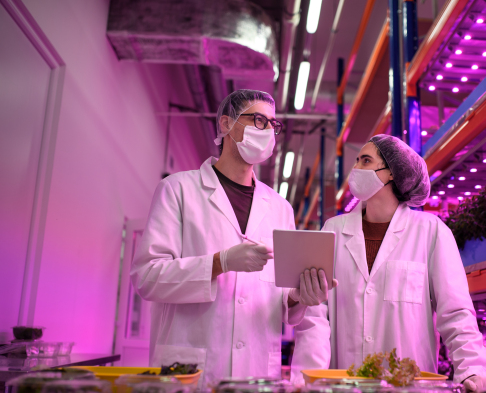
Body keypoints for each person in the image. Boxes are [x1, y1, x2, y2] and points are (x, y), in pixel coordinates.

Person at [131, 90, 334, 385]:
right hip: (191, 369)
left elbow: (276, 300)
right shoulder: (178, 190)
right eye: (259, 120)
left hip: (256, 372)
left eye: (273, 125)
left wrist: (298, 298)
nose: (268, 131)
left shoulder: (280, 208)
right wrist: (219, 262)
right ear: (226, 124)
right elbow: (148, 277)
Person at [305, 135, 486, 392]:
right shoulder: (333, 231)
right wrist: (313, 377)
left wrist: (472, 369)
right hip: (346, 384)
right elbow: (318, 314)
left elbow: (456, 312)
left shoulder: (431, 231)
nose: (355, 169)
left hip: (412, 385)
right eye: (356, 161)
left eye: (365, 161)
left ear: (392, 173)